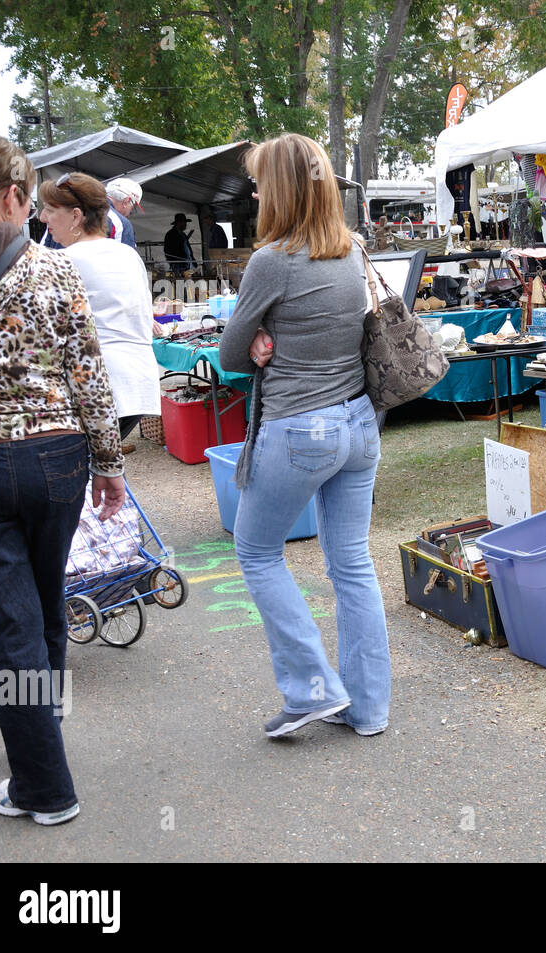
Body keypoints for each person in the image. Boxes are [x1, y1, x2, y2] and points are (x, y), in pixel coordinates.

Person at [0, 130, 126, 825]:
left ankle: (43, 783)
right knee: (42, 606)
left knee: (12, 627)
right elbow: (89, 376)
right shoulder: (55, 269)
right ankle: (42, 742)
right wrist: (109, 463)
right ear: (11, 195)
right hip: (58, 458)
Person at [218, 133, 389, 739]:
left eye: (262, 182)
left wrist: (260, 336)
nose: (257, 192)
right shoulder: (353, 249)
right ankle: (368, 709)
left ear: (283, 190)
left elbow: (231, 354)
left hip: (300, 427)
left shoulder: (272, 261)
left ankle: (311, 691)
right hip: (358, 423)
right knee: (351, 563)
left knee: (258, 552)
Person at [38, 172, 159, 447]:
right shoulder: (127, 255)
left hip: (96, 391)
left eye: (50, 210)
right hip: (137, 386)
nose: (43, 218)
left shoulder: (60, 261)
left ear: (76, 216)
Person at [105, 177, 144, 251]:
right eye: (132, 209)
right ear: (126, 201)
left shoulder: (80, 208)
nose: (129, 215)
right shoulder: (120, 223)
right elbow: (127, 260)